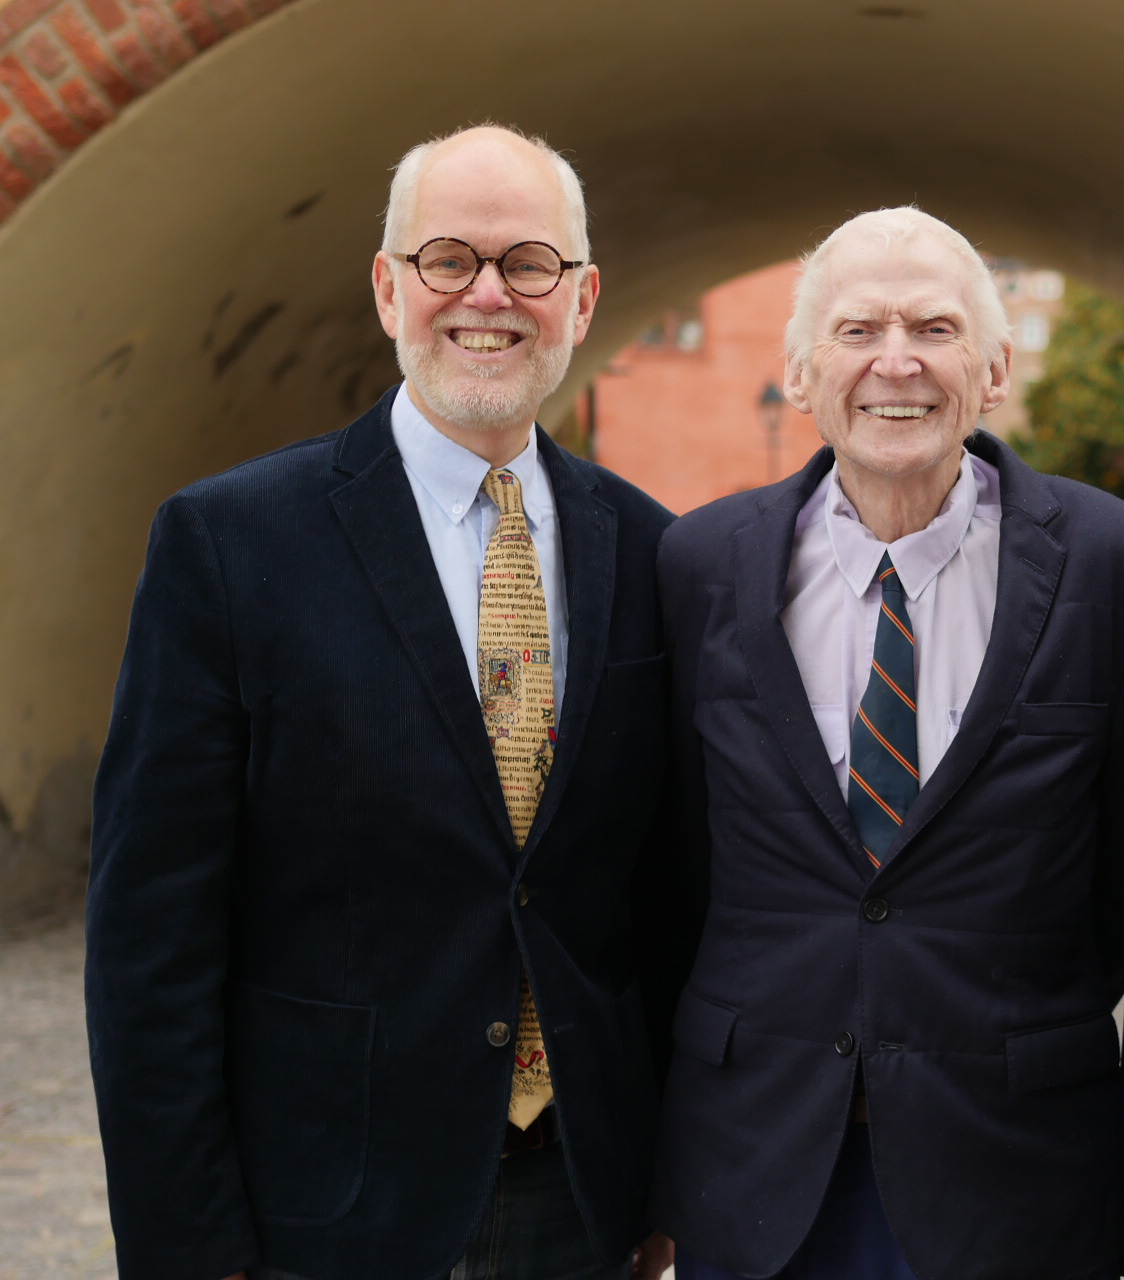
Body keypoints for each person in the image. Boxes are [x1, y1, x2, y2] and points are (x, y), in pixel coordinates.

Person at [86, 125, 680, 1280]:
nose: (489, 296)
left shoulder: (656, 554)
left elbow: (664, 903)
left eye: (530, 264)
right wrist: (190, 1245)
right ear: (387, 287)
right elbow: (150, 938)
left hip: (579, 1198)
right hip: (322, 1206)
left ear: (585, 297)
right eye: (449, 258)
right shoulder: (229, 543)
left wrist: (667, 1180)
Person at [649, 207, 1124, 1280]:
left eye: (935, 328)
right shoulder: (699, 563)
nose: (897, 360)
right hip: (755, 1157)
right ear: (802, 376)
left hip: (1013, 1160)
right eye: (858, 330)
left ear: (990, 372)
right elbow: (675, 861)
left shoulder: (1118, 565)